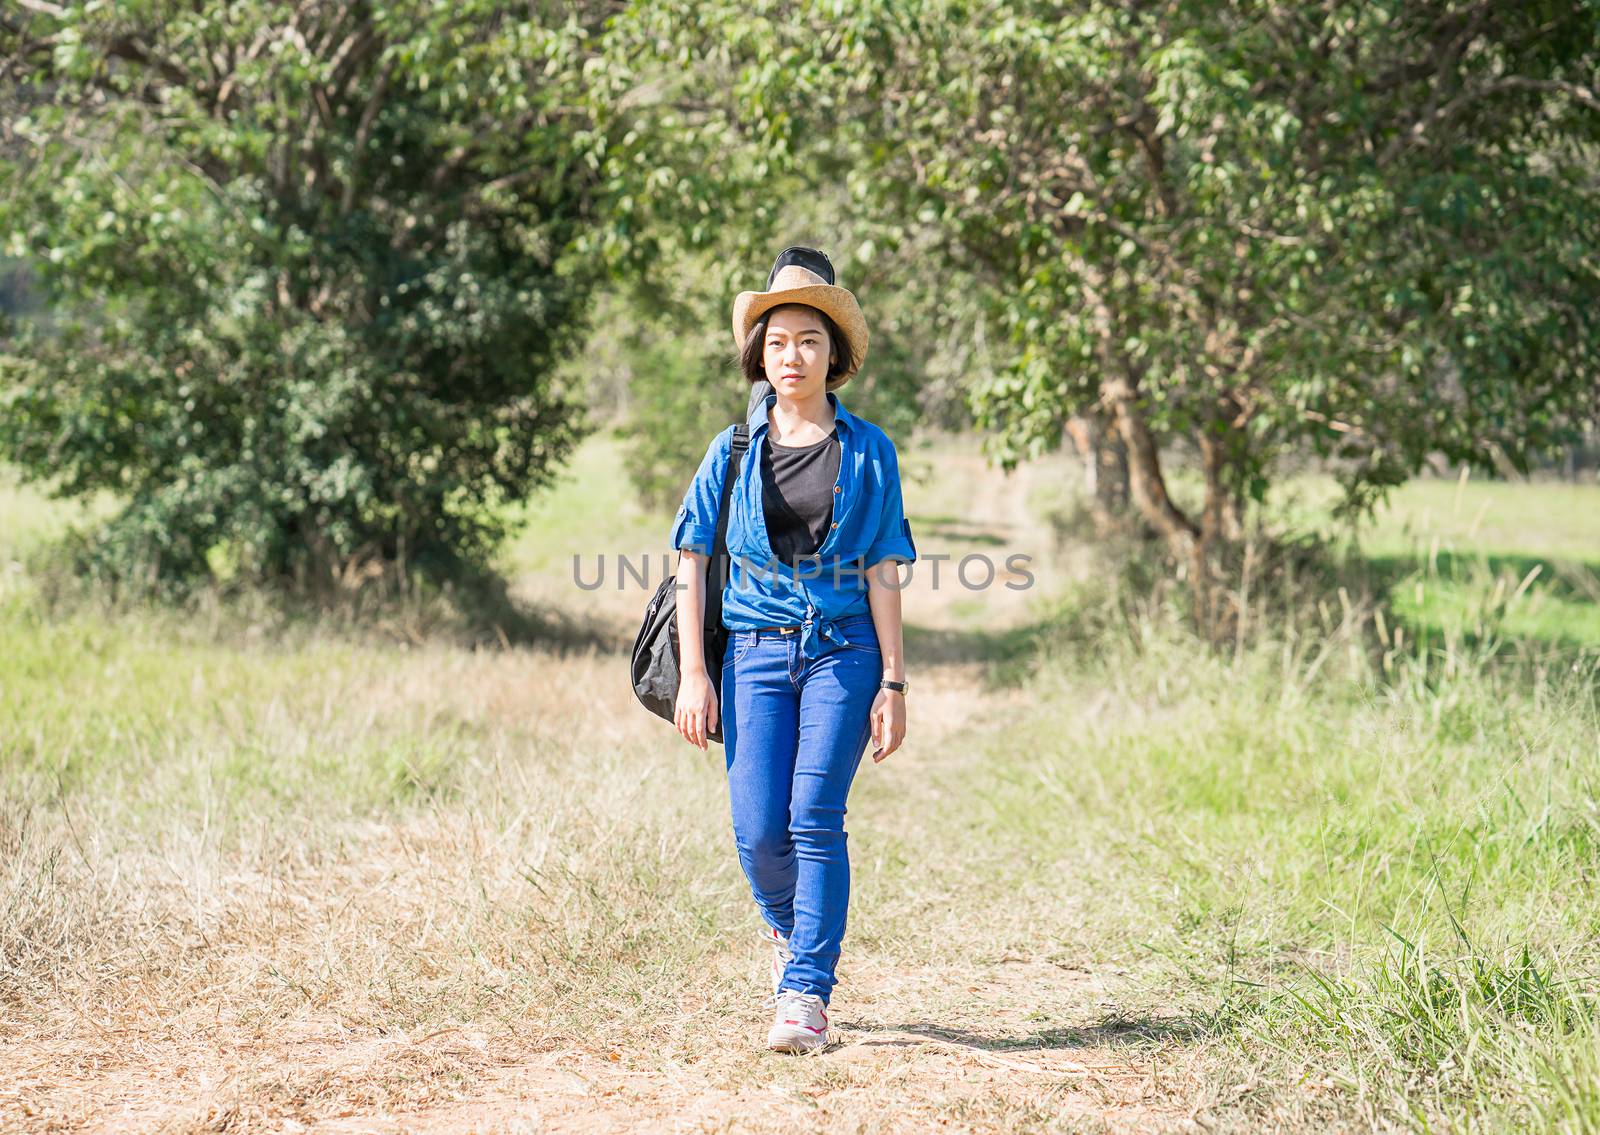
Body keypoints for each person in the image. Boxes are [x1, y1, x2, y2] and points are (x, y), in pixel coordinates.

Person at [669, 245, 917, 1054]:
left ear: (833, 352)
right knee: (755, 832)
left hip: (842, 650)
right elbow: (690, 558)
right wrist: (696, 674)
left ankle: (807, 991)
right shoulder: (732, 450)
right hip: (753, 654)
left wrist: (893, 679)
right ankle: (792, 932)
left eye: (809, 339)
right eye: (777, 341)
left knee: (814, 814)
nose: (792, 356)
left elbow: (883, 567)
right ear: (759, 353)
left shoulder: (871, 449)